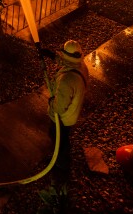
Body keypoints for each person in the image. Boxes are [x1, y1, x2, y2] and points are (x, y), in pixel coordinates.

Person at [42, 39, 89, 189]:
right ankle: (62, 157)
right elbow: (66, 63)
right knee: (64, 137)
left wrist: (50, 101)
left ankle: (61, 163)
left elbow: (59, 108)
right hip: (72, 114)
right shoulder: (81, 66)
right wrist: (51, 56)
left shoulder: (66, 80)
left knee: (56, 136)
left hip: (62, 118)